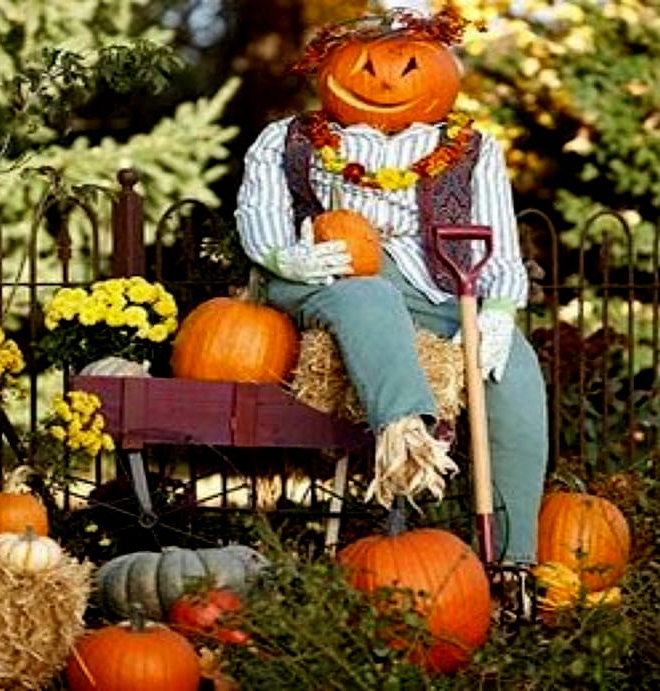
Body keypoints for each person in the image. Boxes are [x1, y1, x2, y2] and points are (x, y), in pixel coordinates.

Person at [234, 5, 547, 568]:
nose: (383, 82)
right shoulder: (288, 139)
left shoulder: (472, 148)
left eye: (405, 68)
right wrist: (287, 255)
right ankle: (407, 438)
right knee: (368, 295)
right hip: (322, 277)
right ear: (331, 68)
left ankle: (512, 563)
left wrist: (498, 310)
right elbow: (257, 214)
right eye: (366, 67)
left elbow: (496, 240)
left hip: (436, 288)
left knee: (515, 372)